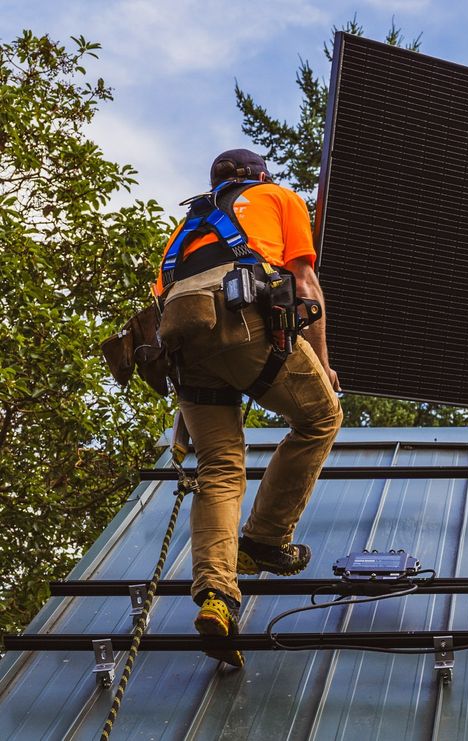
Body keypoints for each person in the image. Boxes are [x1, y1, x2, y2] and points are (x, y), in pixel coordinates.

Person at [154, 149, 343, 666]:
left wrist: (185, 413)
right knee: (321, 418)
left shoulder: (186, 230)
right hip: (246, 320)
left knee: (217, 467)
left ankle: (216, 594)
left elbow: (183, 315)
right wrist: (322, 364)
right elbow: (304, 285)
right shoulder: (280, 197)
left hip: (183, 348)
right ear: (263, 175)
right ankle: (263, 540)